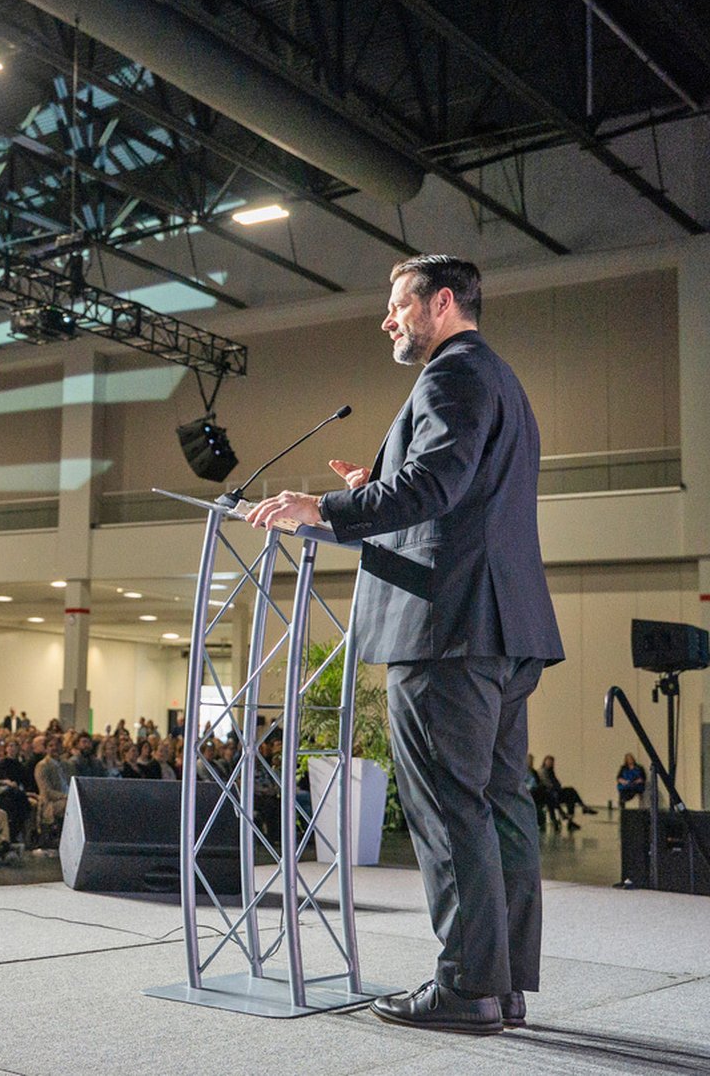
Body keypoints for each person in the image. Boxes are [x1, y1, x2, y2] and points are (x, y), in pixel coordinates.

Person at [249, 254, 564, 1035]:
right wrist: (377, 480)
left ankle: (466, 987)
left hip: (446, 627)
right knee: (499, 806)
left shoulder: (449, 376)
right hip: (502, 627)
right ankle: (501, 985)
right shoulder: (499, 378)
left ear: (441, 301)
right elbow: (456, 491)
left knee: (448, 807)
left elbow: (434, 488)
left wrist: (323, 506)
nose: (387, 318)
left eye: (397, 304)